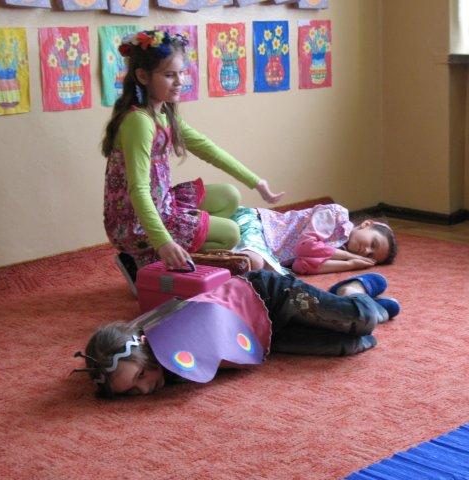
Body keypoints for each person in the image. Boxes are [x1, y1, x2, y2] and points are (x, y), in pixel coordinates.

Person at [102, 30, 284, 295]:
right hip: (134, 223)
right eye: (169, 75)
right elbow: (138, 190)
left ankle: (154, 256)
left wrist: (257, 182)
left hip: (162, 203)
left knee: (229, 196)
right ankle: (146, 261)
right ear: (142, 76)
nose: (180, 82)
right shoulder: (139, 121)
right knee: (230, 234)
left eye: (181, 73)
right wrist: (163, 242)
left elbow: (208, 149)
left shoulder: (163, 114)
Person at [72, 271, 401, 398]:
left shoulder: (163, 336)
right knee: (353, 344)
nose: (145, 388)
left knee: (362, 321)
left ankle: (354, 290)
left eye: (141, 375)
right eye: (133, 391)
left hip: (269, 296)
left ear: (144, 348)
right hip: (266, 338)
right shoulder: (152, 364)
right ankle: (365, 309)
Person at [230, 204, 397, 274]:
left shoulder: (338, 249)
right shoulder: (336, 215)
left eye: (370, 256)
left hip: (269, 251)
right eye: (373, 243)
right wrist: (349, 256)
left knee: (265, 275)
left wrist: (349, 265)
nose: (366, 251)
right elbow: (305, 246)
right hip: (258, 225)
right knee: (253, 263)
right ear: (367, 224)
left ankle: (223, 252)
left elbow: (301, 265)